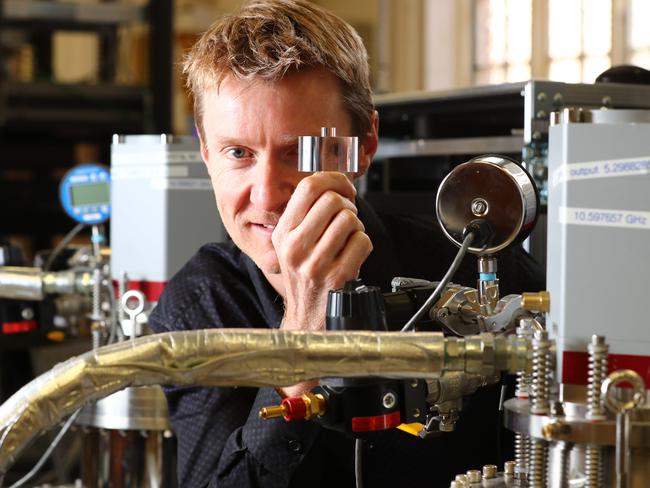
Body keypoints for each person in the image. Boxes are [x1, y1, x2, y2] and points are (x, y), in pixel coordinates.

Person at [149, 1, 545, 486]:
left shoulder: (478, 274)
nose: (268, 193)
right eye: (238, 153)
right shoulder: (199, 304)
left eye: (299, 151)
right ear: (206, 152)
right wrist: (304, 334)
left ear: (365, 143)